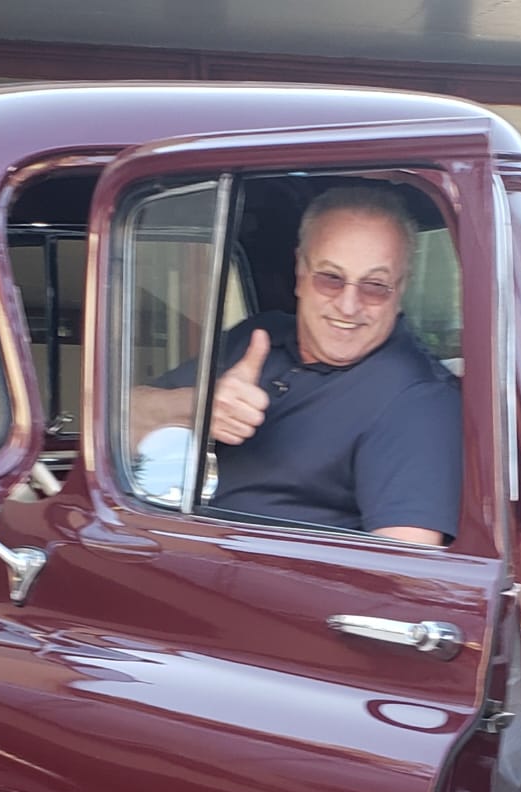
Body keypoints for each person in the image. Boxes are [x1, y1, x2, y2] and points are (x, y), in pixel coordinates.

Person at [128, 185, 462, 545]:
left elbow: (407, 572)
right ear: (300, 271)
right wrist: (199, 406)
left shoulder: (419, 401)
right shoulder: (259, 336)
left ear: (400, 290)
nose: (349, 306)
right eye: (331, 278)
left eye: (375, 285)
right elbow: (116, 426)